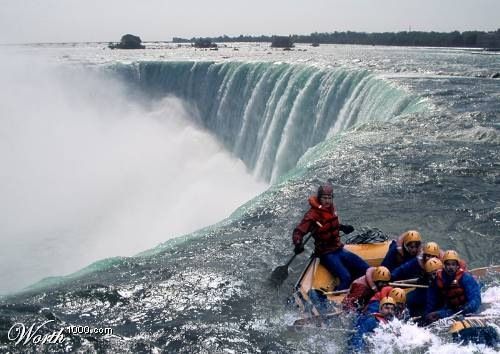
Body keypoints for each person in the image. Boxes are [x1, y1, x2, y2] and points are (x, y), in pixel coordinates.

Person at [292, 183, 369, 290]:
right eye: (324, 198)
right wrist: (298, 243)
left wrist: (343, 228)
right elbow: (298, 231)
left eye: (329, 198)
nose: (327, 201)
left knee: (365, 268)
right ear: (319, 199)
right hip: (326, 254)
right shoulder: (312, 215)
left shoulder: (331, 209)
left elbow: (332, 225)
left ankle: (360, 289)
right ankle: (340, 302)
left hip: (339, 249)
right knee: (346, 277)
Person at [425, 250, 481, 324]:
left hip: (467, 308)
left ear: (457, 266)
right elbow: (431, 301)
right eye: (448, 264)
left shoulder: (466, 278)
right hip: (452, 310)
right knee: (433, 315)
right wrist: (427, 315)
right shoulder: (438, 280)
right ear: (444, 266)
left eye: (453, 264)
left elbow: (475, 298)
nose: (450, 267)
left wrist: (469, 307)